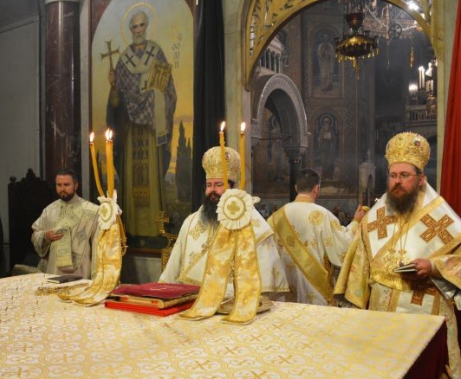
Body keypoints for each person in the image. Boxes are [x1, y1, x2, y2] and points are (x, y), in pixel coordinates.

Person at [334, 132, 461, 379]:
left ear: (421, 178)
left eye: (404, 175)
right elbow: (359, 266)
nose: (397, 181)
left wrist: (434, 267)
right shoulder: (375, 216)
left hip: (425, 310)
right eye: (392, 175)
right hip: (380, 315)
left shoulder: (442, 217)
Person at [159, 146, 288, 299]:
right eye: (209, 185)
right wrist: (161, 292)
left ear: (234, 187)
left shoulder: (254, 226)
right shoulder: (191, 222)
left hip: (234, 305)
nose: (212, 190)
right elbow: (173, 269)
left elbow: (265, 279)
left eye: (219, 185)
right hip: (190, 303)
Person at [107, 9, 177, 240]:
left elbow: (169, 93)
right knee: (132, 177)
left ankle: (154, 229)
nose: (137, 30)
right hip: (130, 130)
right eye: (133, 27)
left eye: (141, 26)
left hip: (149, 129)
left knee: (151, 178)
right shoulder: (123, 59)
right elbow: (116, 104)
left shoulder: (156, 54)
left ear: (146, 27)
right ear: (130, 30)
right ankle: (133, 229)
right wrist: (114, 87)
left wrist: (154, 99)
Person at [268, 168, 366, 305]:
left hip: (284, 290)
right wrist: (356, 222)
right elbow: (343, 245)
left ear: (296, 188)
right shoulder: (323, 216)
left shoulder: (275, 217)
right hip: (315, 289)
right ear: (316, 189)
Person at [31, 168, 99, 279]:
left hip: (81, 271)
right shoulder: (49, 210)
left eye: (66, 185)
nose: (62, 189)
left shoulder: (91, 210)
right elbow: (35, 234)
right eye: (59, 185)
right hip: (53, 271)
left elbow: (99, 245)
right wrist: (46, 236)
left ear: (76, 185)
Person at [317, 115, 337, 180]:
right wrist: (323, 136)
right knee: (324, 162)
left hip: (330, 149)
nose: (326, 123)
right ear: (323, 123)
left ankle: (330, 176)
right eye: (325, 122)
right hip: (324, 149)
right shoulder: (322, 130)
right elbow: (319, 139)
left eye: (327, 122)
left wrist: (330, 139)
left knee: (330, 162)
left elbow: (334, 139)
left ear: (329, 123)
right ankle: (324, 176)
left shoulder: (331, 131)